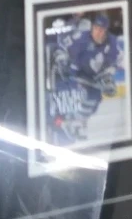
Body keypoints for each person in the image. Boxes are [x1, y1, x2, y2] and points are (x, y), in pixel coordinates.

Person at [49, 13, 122, 142]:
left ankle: (78, 122)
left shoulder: (112, 43)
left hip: (90, 78)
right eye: (96, 28)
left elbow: (115, 62)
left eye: (101, 29)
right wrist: (61, 57)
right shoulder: (81, 37)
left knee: (94, 98)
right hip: (68, 76)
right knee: (67, 100)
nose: (97, 32)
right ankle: (63, 122)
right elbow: (62, 47)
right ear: (92, 27)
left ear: (106, 30)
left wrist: (107, 76)